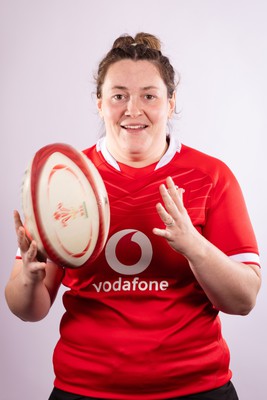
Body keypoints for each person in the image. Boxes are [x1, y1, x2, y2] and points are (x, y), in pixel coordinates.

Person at [5, 32, 261, 400]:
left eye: (149, 96)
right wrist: (30, 278)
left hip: (197, 389)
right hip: (85, 389)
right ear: (100, 103)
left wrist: (194, 247)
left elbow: (244, 300)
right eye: (119, 95)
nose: (133, 109)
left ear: (171, 103)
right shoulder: (63, 179)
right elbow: (27, 310)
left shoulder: (211, 176)